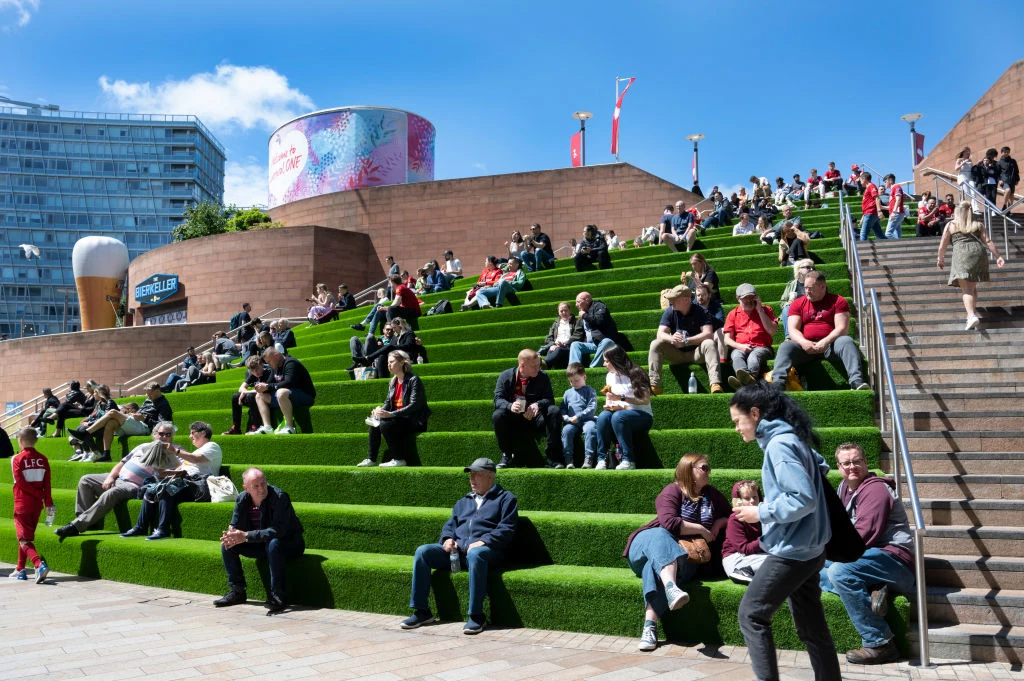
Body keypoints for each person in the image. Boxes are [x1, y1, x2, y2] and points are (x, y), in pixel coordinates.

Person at [729, 383, 842, 681]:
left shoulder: (779, 445)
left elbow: (801, 497)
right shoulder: (792, 439)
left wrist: (760, 512)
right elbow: (821, 466)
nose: (737, 429)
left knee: (751, 615)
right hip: (811, 550)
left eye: (738, 421)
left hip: (792, 552)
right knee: (812, 627)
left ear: (755, 413)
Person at [622, 454, 730, 651]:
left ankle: (650, 626)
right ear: (689, 470)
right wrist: (701, 529)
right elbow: (670, 523)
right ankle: (671, 586)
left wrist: (719, 522)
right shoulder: (672, 491)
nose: (709, 472)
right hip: (646, 546)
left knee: (653, 568)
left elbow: (731, 516)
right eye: (704, 468)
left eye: (708, 468)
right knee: (660, 534)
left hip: (684, 557)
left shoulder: (712, 495)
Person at [820, 443, 915, 665]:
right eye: (846, 463)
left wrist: (829, 554)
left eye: (857, 461)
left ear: (865, 463)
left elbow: (863, 536)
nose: (852, 467)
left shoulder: (876, 490)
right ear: (839, 466)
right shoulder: (844, 488)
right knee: (810, 567)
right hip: (868, 560)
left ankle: (880, 643)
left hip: (895, 562)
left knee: (839, 572)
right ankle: (873, 588)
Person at [400, 457, 518, 634]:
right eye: (471, 475)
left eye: (477, 475)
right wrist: (447, 538)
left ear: (491, 476)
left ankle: (477, 616)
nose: (472, 479)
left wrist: (483, 541)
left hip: (488, 552)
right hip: (459, 551)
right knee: (423, 552)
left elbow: (507, 529)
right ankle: (422, 611)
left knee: (475, 554)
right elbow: (450, 525)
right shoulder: (464, 501)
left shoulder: (506, 499)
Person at [54, 424, 182, 542]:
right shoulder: (143, 446)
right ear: (154, 434)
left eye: (168, 434)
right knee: (85, 480)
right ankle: (86, 522)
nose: (164, 437)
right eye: (161, 434)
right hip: (118, 478)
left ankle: (75, 526)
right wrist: (110, 477)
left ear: (172, 436)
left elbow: (179, 471)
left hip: (135, 486)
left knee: (111, 493)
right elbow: (121, 463)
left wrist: (160, 470)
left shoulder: (176, 450)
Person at [214, 468, 305, 613]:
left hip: (289, 543)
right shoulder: (242, 499)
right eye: (256, 486)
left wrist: (245, 536)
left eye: (263, 484)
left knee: (274, 543)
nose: (261, 489)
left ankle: (278, 595)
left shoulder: (280, 497)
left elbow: (278, 531)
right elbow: (235, 524)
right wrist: (231, 534)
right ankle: (237, 591)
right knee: (228, 545)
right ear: (246, 488)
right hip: (261, 544)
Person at [121, 421, 223, 541]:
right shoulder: (195, 451)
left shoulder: (212, 446)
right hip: (185, 482)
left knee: (167, 490)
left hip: (199, 486)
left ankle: (163, 530)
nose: (190, 436)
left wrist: (175, 451)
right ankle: (140, 527)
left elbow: (196, 459)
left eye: (192, 433)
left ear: (203, 433)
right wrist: (161, 470)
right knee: (150, 490)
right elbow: (181, 471)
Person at [771, 271, 869, 391]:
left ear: (822, 286)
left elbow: (842, 328)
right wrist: (804, 342)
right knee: (786, 346)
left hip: (831, 346)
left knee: (847, 341)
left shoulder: (838, 301)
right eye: (805, 287)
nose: (807, 291)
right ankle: (778, 384)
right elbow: (793, 329)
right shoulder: (798, 303)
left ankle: (856, 381)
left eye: (810, 288)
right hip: (805, 347)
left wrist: (825, 341)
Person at [937, 200, 1006, 330]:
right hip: (978, 254)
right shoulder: (978, 224)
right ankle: (971, 314)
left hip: (962, 255)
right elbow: (988, 241)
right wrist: (998, 256)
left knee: (966, 289)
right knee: (972, 287)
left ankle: (971, 315)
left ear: (957, 212)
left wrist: (940, 258)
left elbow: (942, 245)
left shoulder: (951, 224)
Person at [358, 350, 430, 468]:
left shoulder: (414, 380)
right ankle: (371, 459)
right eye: (387, 362)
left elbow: (414, 405)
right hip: (398, 418)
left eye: (391, 362)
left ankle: (399, 459)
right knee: (374, 422)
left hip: (414, 420)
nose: (388, 365)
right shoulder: (393, 381)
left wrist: (390, 414)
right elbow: (388, 402)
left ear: (402, 362)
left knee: (385, 423)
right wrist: (379, 411)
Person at [492, 349, 561, 469]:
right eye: (534, 366)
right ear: (522, 365)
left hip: (535, 418)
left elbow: (549, 399)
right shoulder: (505, 376)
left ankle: (553, 457)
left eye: (539, 365)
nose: (538, 368)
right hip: (514, 419)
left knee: (554, 411)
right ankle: (507, 455)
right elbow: (497, 400)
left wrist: (537, 404)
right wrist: (510, 406)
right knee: (498, 415)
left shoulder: (542, 376)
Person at [648, 285, 723, 395]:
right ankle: (655, 386)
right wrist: (671, 338)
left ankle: (715, 384)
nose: (670, 301)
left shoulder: (701, 311)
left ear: (686, 299)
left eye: (673, 298)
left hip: (696, 353)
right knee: (655, 344)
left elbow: (708, 334)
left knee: (709, 343)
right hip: (677, 353)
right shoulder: (670, 311)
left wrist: (687, 340)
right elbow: (660, 333)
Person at [595, 345, 654, 470]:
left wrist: (621, 399)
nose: (604, 364)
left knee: (618, 417)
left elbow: (645, 400)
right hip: (622, 412)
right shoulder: (610, 376)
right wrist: (610, 405)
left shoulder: (636, 373)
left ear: (615, 360)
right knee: (603, 416)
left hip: (642, 415)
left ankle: (628, 460)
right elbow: (610, 398)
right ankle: (601, 459)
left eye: (606, 361)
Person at [78, 382, 173, 460]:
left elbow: (163, 425)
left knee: (113, 412)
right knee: (111, 422)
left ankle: (87, 433)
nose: (148, 396)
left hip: (145, 428)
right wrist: (132, 415)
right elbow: (140, 413)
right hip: (137, 423)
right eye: (147, 394)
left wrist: (145, 419)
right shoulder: (149, 399)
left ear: (158, 391)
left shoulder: (164, 404)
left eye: (150, 394)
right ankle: (107, 455)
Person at [9, 427, 54, 583]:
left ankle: (38, 565)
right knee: (25, 537)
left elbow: (20, 482)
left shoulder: (16, 459)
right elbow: (47, 484)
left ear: (20, 441)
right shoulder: (43, 459)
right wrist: (47, 501)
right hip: (37, 506)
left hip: (22, 503)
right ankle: (20, 569)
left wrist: (38, 494)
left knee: (23, 539)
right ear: (36, 441)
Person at [248, 348, 316, 435]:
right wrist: (262, 388)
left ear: (276, 355)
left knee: (281, 392)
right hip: (286, 398)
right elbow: (269, 384)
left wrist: (267, 386)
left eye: (269, 361)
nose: (268, 364)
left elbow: (289, 383)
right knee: (259, 396)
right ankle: (267, 427)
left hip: (305, 396)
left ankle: (290, 427)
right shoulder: (274, 367)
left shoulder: (291, 363)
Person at [724, 283, 778, 390]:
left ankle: (747, 381)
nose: (749, 301)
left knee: (753, 356)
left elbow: (772, 331)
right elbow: (727, 339)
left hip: (762, 347)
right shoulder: (732, 314)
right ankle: (749, 381)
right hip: (741, 347)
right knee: (736, 355)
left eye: (751, 297)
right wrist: (740, 346)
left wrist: (760, 310)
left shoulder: (766, 310)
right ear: (738, 299)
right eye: (745, 298)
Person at [722, 480, 767, 584]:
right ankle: (743, 572)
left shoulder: (763, 517)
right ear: (739, 501)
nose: (752, 501)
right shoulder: (735, 519)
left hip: (757, 556)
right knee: (777, 561)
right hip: (736, 559)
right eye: (747, 498)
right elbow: (744, 548)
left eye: (755, 497)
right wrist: (767, 539)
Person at [568, 291, 623, 368]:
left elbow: (599, 320)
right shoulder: (582, 314)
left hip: (605, 344)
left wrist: (584, 315)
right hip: (592, 344)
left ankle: (593, 368)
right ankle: (574, 369)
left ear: (587, 300)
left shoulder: (599, 306)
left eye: (578, 302)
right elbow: (578, 332)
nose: (576, 305)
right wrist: (565, 344)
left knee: (607, 341)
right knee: (575, 345)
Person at [557, 363, 597, 469]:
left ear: (584, 377)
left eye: (577, 380)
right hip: (571, 421)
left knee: (590, 429)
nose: (574, 383)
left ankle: (589, 458)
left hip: (587, 420)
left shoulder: (590, 390)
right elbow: (563, 407)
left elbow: (591, 408)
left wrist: (578, 417)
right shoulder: (567, 393)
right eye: (571, 381)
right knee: (566, 431)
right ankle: (568, 459)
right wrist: (564, 416)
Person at [223, 356, 272, 435]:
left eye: (257, 369)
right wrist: (244, 391)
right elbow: (241, 388)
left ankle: (256, 426)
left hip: (266, 399)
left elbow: (263, 390)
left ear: (262, 365)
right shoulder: (253, 375)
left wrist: (246, 392)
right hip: (256, 398)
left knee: (250, 396)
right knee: (236, 396)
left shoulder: (268, 372)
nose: (255, 372)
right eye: (252, 370)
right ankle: (236, 427)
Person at [538, 301, 584, 370]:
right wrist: (553, 344)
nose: (564, 313)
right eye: (561, 311)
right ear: (558, 312)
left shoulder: (577, 321)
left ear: (570, 310)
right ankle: (545, 365)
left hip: (569, 347)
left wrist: (564, 344)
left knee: (558, 349)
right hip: (555, 346)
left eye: (565, 310)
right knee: (553, 348)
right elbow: (549, 337)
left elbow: (577, 336)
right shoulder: (556, 323)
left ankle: (545, 364)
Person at [779, 259, 815, 339]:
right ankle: (788, 337)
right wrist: (788, 302)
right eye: (808, 267)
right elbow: (782, 302)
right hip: (795, 311)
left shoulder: (815, 283)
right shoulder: (791, 284)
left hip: (810, 309)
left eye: (812, 267)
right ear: (799, 270)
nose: (811, 269)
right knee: (786, 309)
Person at [858, 171, 885, 241]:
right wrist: (862, 218)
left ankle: (862, 250)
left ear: (864, 179)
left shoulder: (871, 186)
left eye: (860, 180)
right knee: (879, 235)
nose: (860, 182)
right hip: (869, 213)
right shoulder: (868, 188)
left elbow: (877, 198)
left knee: (863, 234)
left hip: (871, 213)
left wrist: (879, 211)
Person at [882, 174, 906, 239]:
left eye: (885, 182)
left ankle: (896, 245)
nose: (884, 184)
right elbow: (891, 206)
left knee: (888, 234)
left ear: (890, 180)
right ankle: (900, 247)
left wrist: (894, 212)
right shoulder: (892, 189)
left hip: (896, 213)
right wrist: (881, 207)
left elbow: (898, 200)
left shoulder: (896, 187)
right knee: (897, 235)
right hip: (896, 213)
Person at [998, 146, 1019, 211]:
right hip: (1004, 180)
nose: (1006, 153)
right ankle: (1004, 205)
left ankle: (1009, 210)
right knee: (1007, 190)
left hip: (1012, 180)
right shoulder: (999, 163)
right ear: (1001, 153)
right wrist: (999, 180)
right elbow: (997, 172)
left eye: (1007, 152)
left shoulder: (1013, 161)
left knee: (1011, 196)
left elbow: (1016, 170)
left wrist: (1017, 179)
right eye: (1005, 152)